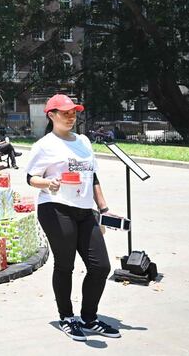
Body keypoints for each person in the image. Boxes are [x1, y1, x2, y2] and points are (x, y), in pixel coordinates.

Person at [24, 94, 121, 341]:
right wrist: (49, 182)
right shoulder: (45, 145)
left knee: (101, 266)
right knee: (65, 265)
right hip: (55, 208)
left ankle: (89, 317)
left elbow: (93, 177)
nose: (71, 117)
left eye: (73, 112)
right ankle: (67, 317)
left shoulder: (84, 141)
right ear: (51, 115)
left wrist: (104, 209)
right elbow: (31, 178)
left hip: (85, 210)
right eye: (65, 112)